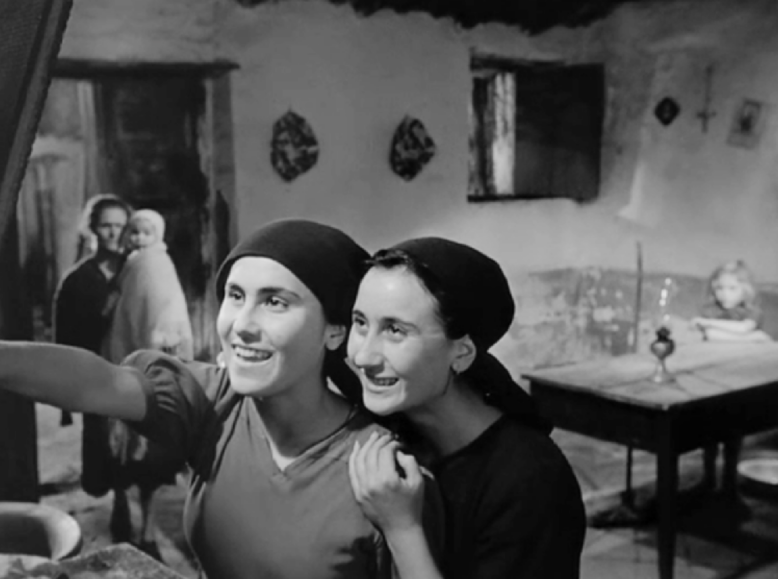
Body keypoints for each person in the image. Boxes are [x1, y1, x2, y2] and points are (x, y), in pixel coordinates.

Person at [0, 219, 440, 579]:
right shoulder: (213, 401)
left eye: (275, 302)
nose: (241, 325)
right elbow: (98, 383)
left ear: (335, 331)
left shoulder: (382, 473)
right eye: (235, 296)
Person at [347, 237, 586, 579]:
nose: (363, 356)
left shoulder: (529, 480)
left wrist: (402, 528)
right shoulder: (396, 426)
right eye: (360, 323)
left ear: (461, 353)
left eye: (395, 330)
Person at [100, 208, 194, 558]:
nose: (138, 238)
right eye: (134, 232)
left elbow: (166, 315)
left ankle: (149, 530)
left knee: (150, 460)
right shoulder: (130, 266)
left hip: (150, 370)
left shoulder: (155, 266)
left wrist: (160, 357)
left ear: (159, 235)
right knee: (128, 457)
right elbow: (124, 313)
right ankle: (134, 520)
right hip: (126, 363)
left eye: (146, 232)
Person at [52, 194, 130, 495]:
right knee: (100, 442)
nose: (114, 233)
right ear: (93, 228)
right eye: (106, 225)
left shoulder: (134, 270)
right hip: (95, 372)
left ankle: (126, 500)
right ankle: (111, 495)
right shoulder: (77, 280)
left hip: (131, 368)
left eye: (120, 226)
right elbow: (65, 335)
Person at [692, 260, 771, 343]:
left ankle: (751, 338)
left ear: (746, 291)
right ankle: (750, 338)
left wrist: (708, 322)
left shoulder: (752, 311)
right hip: (721, 345)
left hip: (748, 348)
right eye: (719, 288)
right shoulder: (712, 309)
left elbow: (744, 328)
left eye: (732, 288)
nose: (725, 294)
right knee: (710, 333)